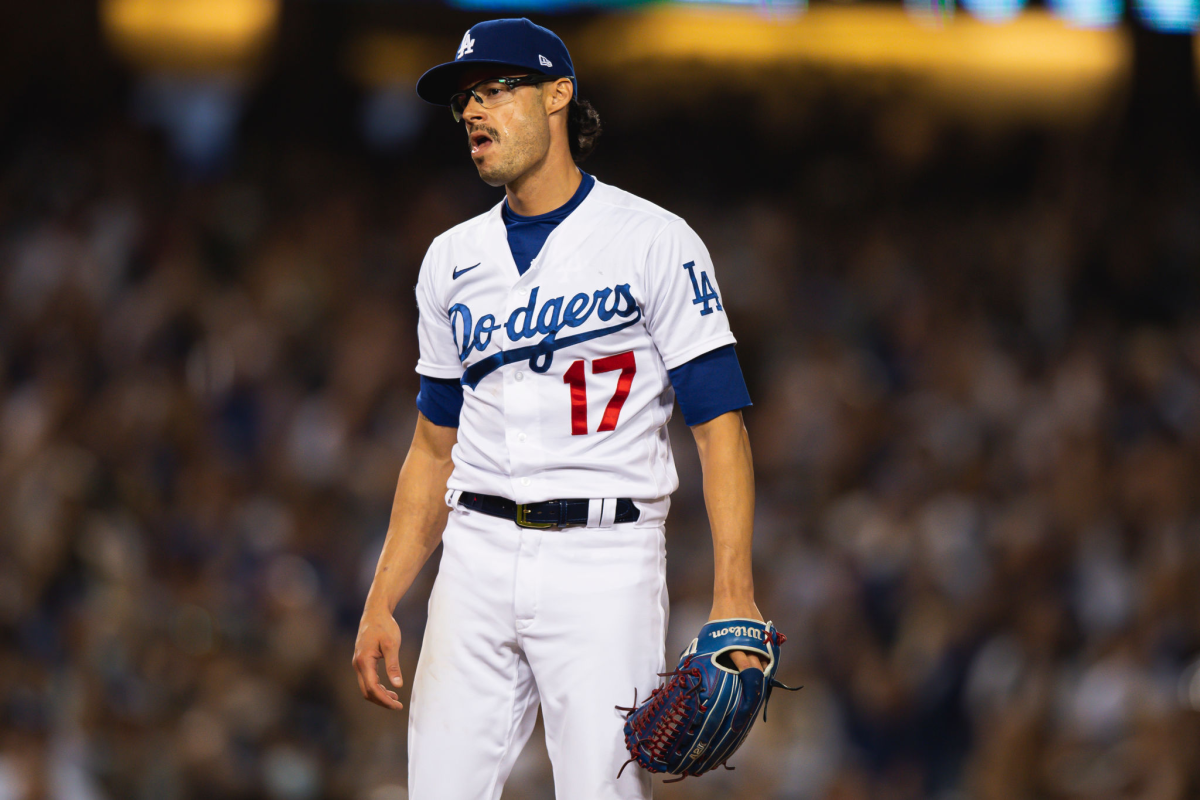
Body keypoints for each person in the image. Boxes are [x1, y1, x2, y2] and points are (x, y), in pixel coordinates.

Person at [351, 18, 768, 799]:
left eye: (497, 90)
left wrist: (734, 592)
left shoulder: (654, 240)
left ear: (559, 95)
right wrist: (383, 597)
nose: (475, 110)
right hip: (474, 553)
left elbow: (720, 428)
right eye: (465, 99)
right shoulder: (450, 260)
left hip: (604, 561)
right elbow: (432, 448)